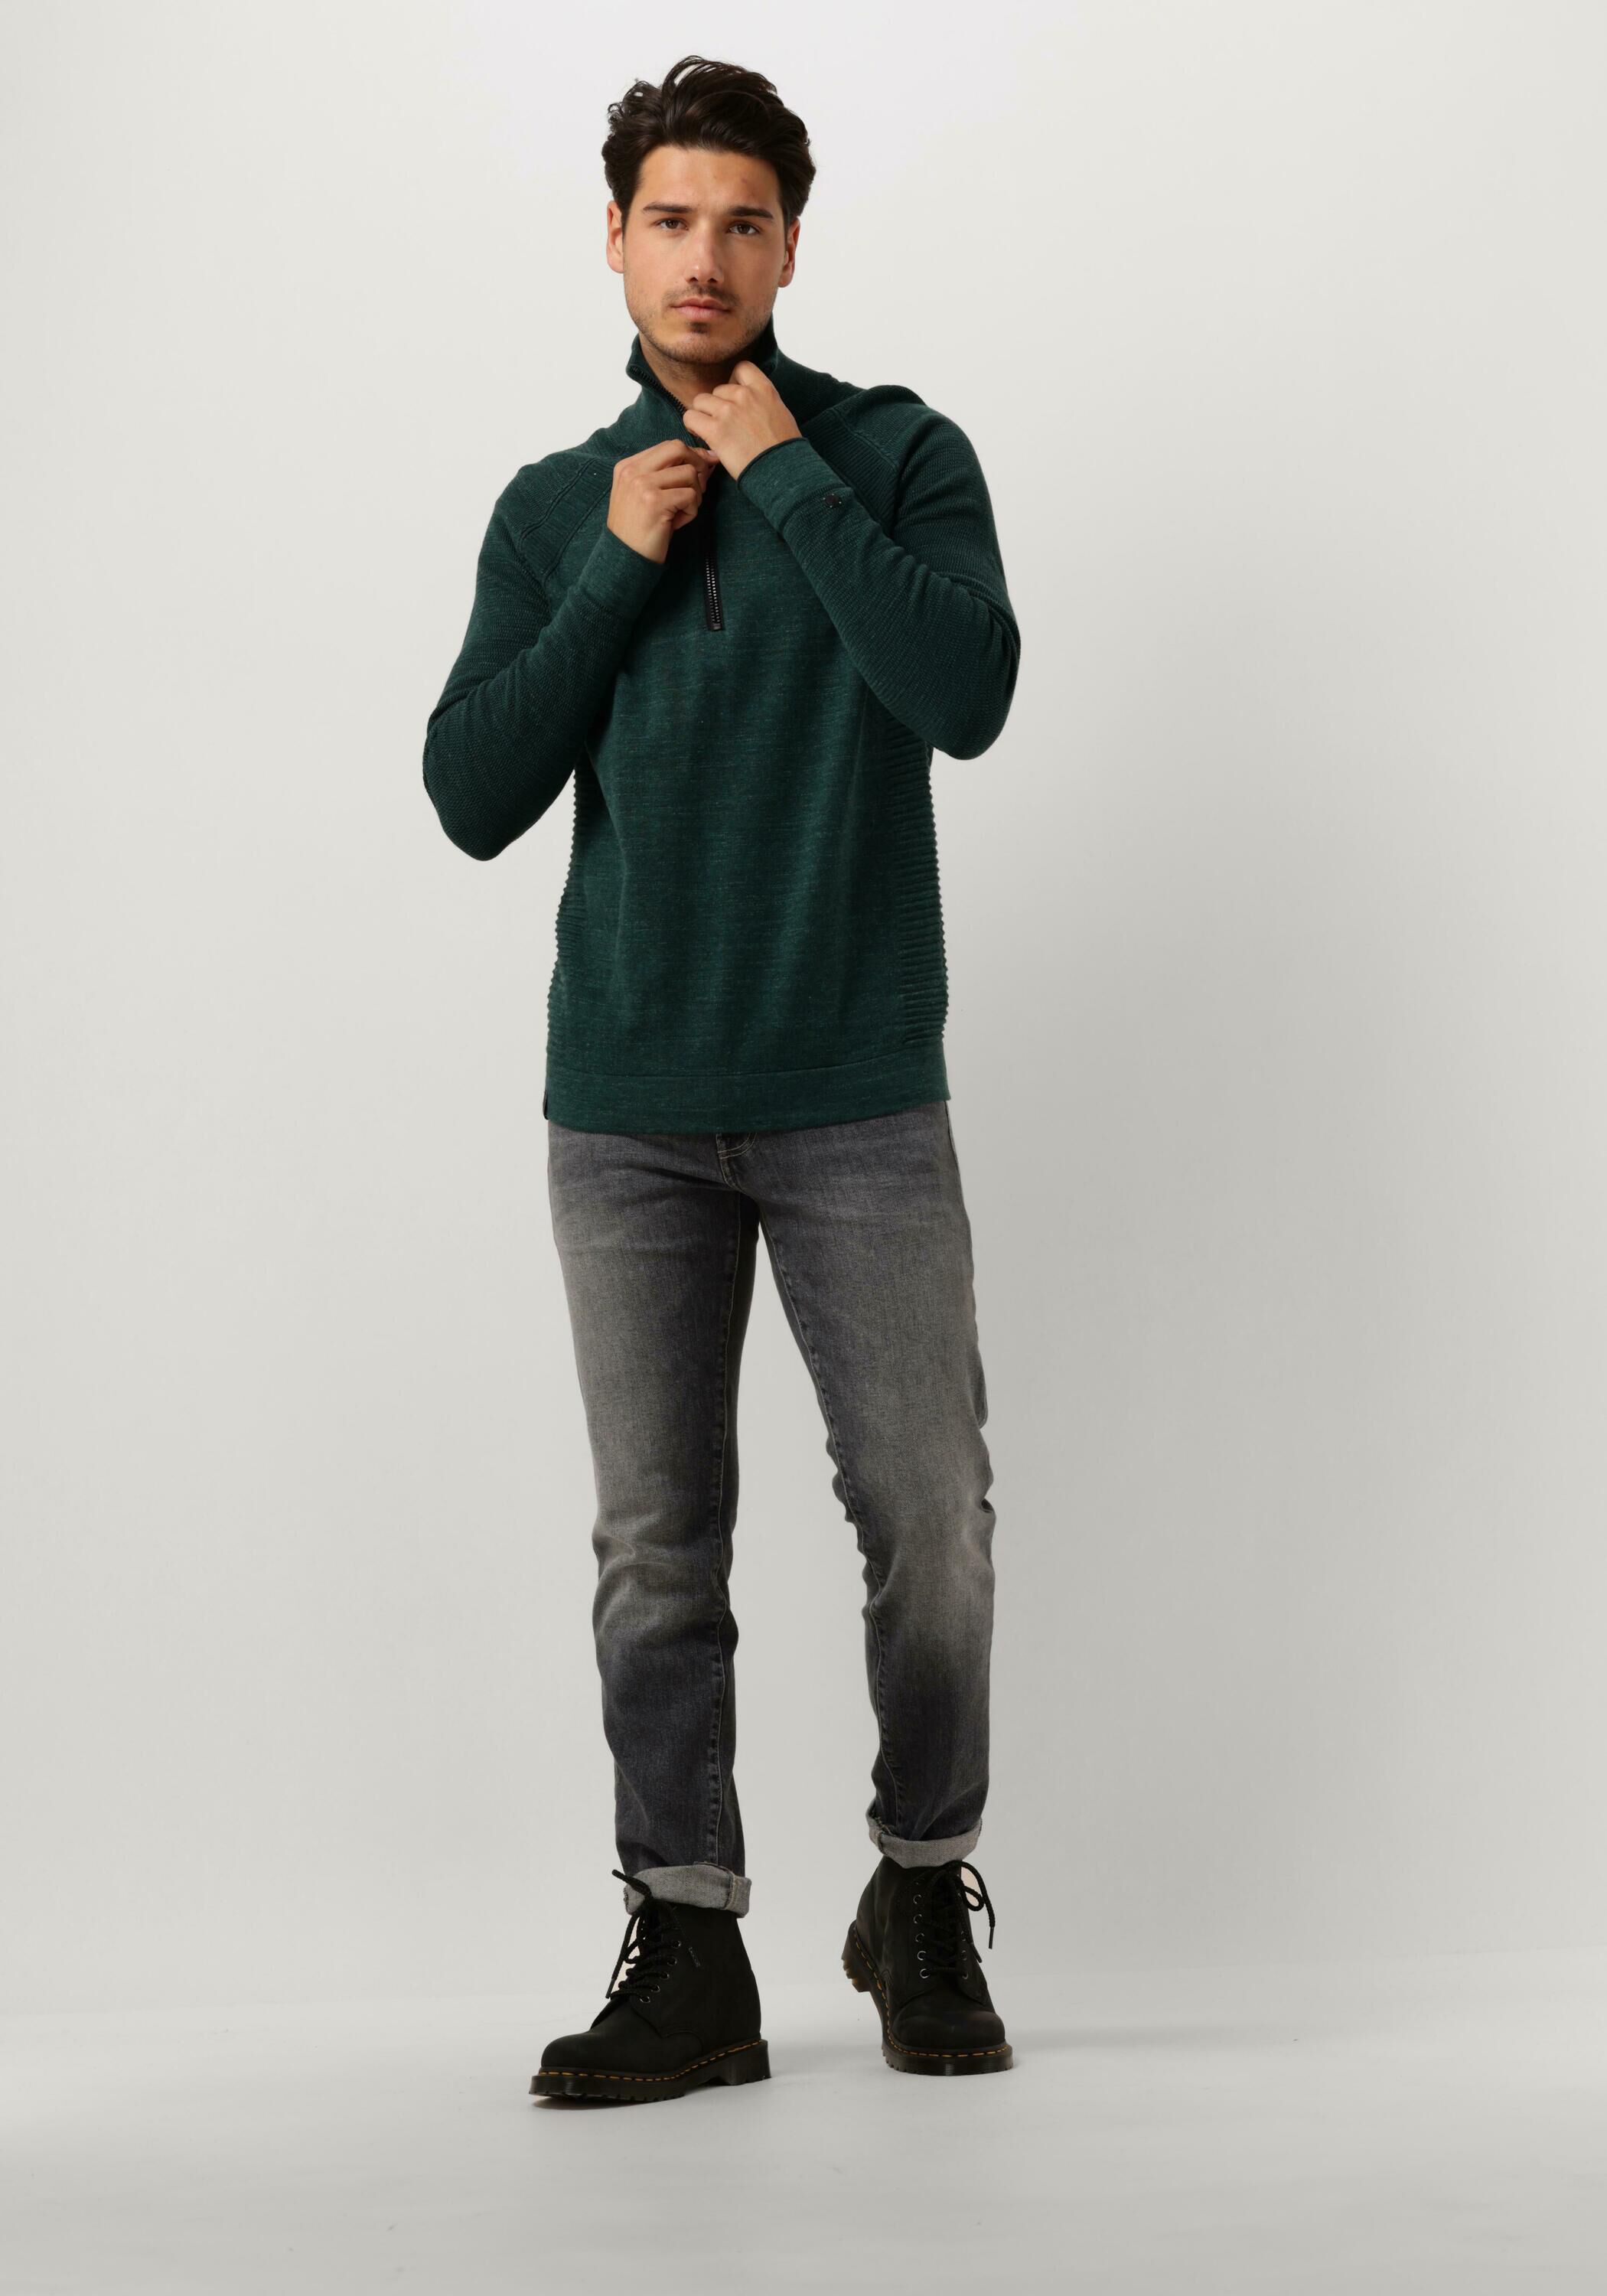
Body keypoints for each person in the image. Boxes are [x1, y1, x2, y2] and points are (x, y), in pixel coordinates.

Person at [422, 54, 1021, 2102]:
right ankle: (688, 1948)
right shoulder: (553, 504)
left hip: (858, 1091)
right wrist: (614, 560)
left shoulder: (896, 454)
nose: (705, 256)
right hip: (629, 1110)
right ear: (614, 238)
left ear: (788, 246)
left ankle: (919, 1885)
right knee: (657, 1548)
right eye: (670, 219)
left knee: (929, 1518)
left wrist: (788, 481)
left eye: (743, 223)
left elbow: (966, 693)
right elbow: (471, 794)